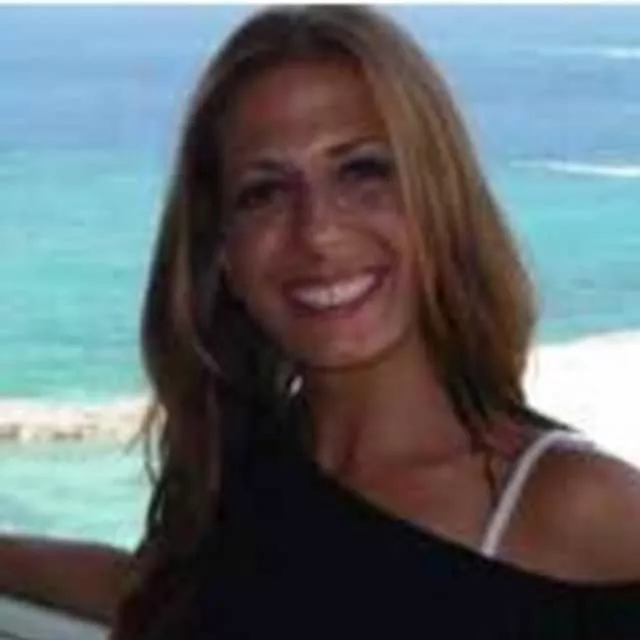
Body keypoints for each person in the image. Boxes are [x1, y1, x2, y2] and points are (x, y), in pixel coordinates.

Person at [2, 5, 640, 638]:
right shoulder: (246, 461)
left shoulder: (574, 507)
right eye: (264, 192)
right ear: (222, 252)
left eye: (363, 171)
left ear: (439, 200)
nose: (318, 232)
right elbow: (181, 596)